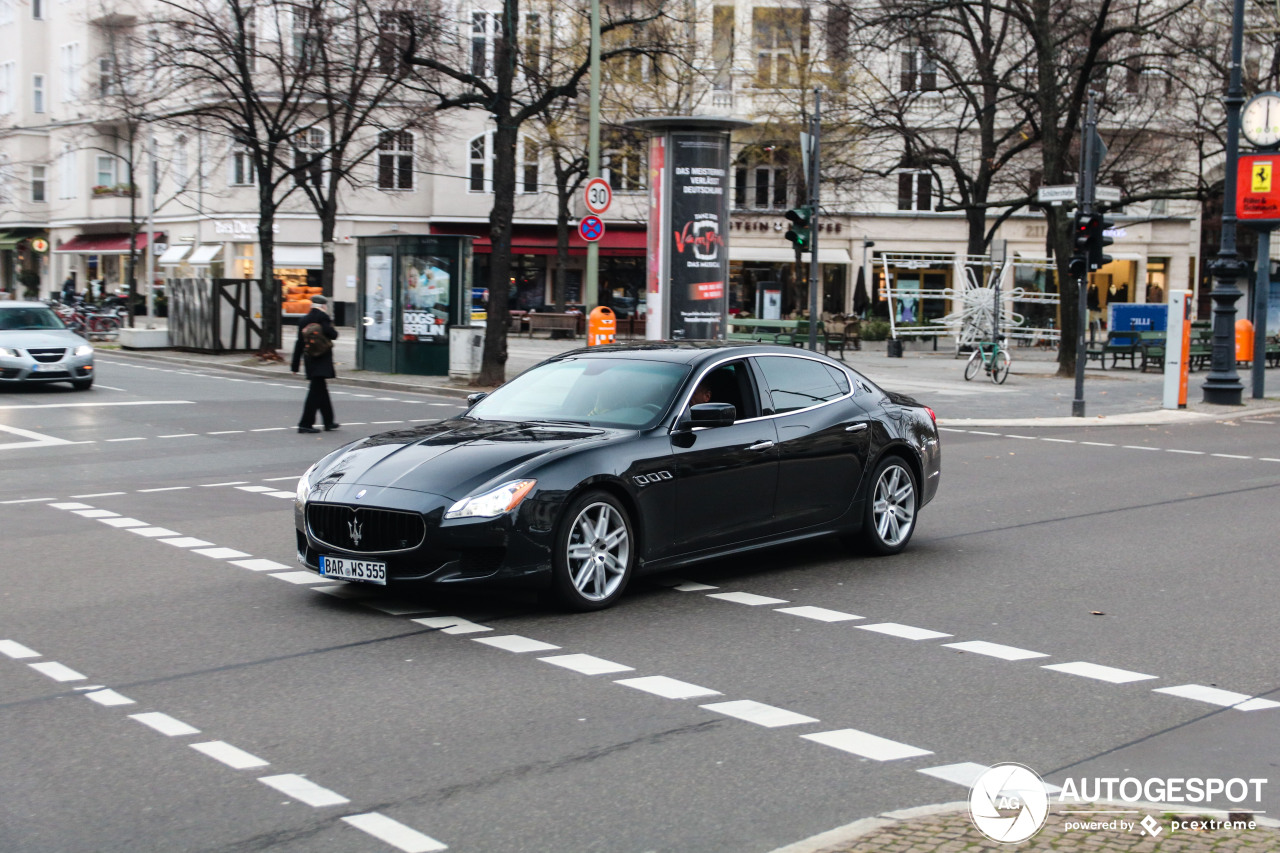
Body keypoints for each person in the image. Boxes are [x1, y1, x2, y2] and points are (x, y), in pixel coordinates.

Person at [291, 294, 340, 434]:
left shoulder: (304, 319)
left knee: (321, 391)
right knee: (315, 393)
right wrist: (330, 324)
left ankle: (328, 421)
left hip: (310, 360)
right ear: (323, 306)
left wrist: (295, 365)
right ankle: (305, 423)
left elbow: (299, 343)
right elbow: (333, 334)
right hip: (322, 360)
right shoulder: (323, 317)